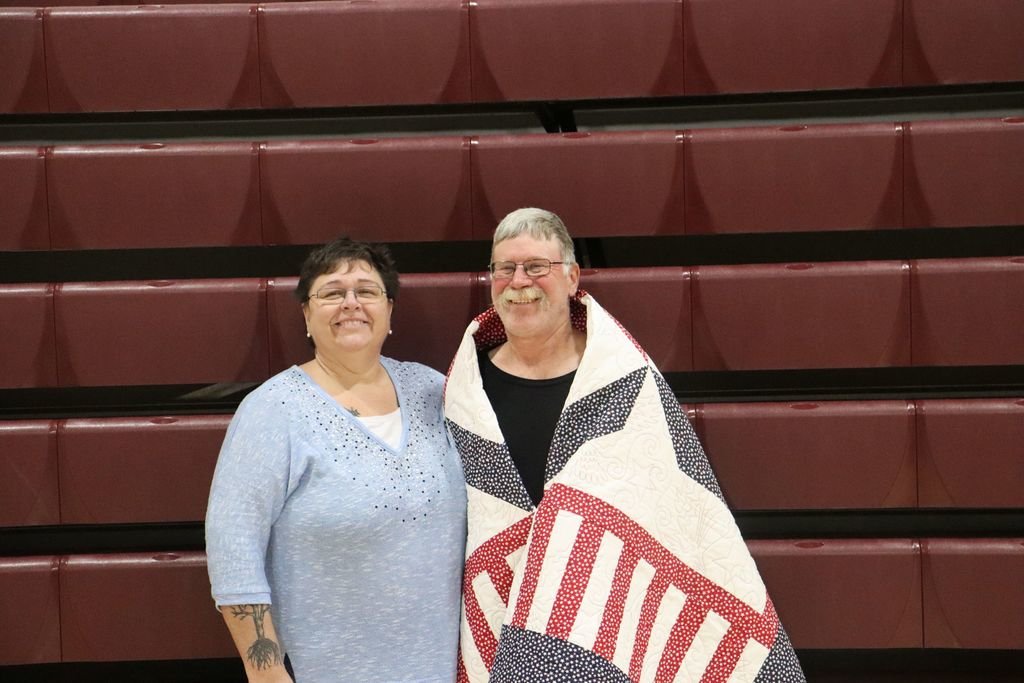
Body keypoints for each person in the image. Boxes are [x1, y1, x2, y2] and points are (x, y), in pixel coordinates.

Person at [444, 208, 805, 682]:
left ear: (572, 277)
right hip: (499, 605)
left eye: (537, 267)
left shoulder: (625, 381)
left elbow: (676, 508)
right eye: (504, 268)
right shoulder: (460, 389)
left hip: (610, 609)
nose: (519, 281)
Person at [206, 237, 466, 683]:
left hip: (442, 670)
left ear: (390, 310)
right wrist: (263, 671)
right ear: (306, 315)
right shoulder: (272, 409)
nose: (351, 303)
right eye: (331, 293)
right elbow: (233, 545)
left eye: (366, 291)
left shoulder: (434, 391)